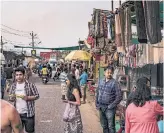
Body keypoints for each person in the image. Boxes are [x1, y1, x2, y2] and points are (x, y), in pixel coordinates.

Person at [8, 67, 39, 133]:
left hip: (29, 114)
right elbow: (10, 98)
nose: (18, 77)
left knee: (30, 131)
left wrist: (28, 98)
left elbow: (37, 96)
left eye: (20, 75)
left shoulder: (30, 85)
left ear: (24, 75)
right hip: (17, 115)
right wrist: (12, 98)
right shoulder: (13, 86)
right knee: (18, 131)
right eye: (17, 75)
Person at [96, 66, 122, 133]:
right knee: (104, 125)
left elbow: (119, 97)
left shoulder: (115, 83)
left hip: (109, 108)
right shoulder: (101, 81)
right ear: (104, 72)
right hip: (101, 107)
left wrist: (111, 106)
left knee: (111, 127)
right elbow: (98, 93)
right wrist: (97, 104)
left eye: (111, 73)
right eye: (108, 72)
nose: (109, 74)